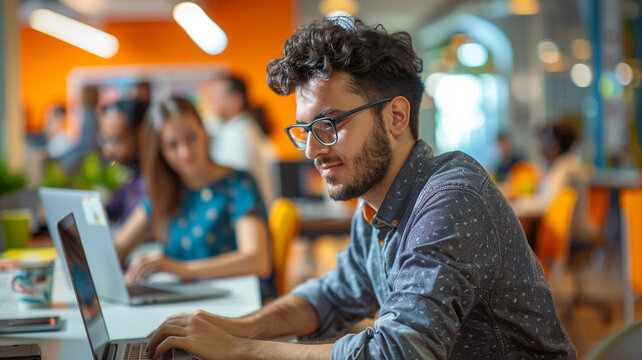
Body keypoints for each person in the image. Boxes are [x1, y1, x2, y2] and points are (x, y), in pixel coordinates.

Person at [147, 18, 575, 359]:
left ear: (395, 117)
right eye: (306, 129)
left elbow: (399, 352)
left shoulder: (450, 196)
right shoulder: (374, 205)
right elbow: (330, 296)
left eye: (330, 124)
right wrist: (235, 326)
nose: (313, 149)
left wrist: (240, 351)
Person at [113, 96, 275, 299]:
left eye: (190, 137)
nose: (185, 152)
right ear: (160, 152)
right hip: (186, 305)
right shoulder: (165, 191)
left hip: (238, 304)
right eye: (172, 145)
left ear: (204, 131)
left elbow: (258, 260)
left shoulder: (239, 183)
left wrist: (181, 269)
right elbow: (118, 246)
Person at [208, 74, 276, 203]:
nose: (212, 101)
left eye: (217, 96)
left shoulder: (239, 135)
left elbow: (235, 184)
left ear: (236, 100)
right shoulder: (242, 129)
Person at [97, 98, 149, 226]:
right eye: (104, 140)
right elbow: (114, 209)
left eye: (115, 140)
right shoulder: (133, 174)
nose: (107, 151)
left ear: (141, 134)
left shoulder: (153, 180)